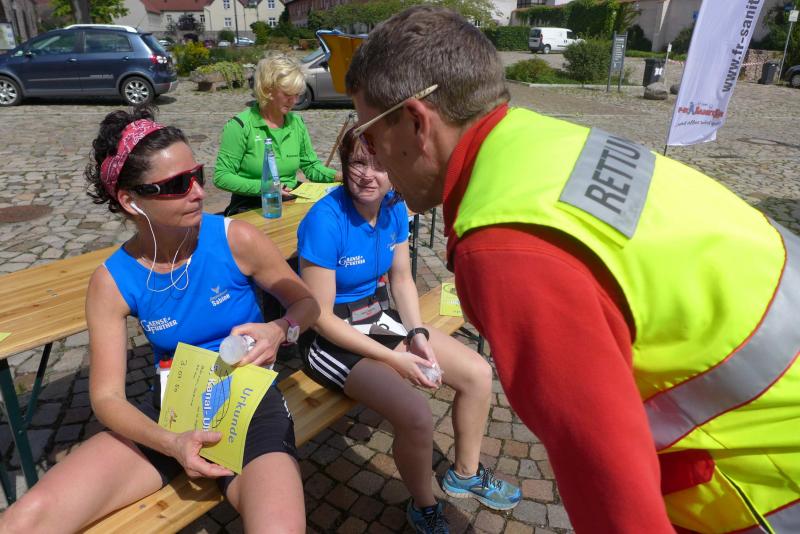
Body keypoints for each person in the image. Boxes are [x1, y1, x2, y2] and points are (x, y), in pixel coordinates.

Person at [343, 6, 800, 534]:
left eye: (370, 136)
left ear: (417, 122)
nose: (373, 158)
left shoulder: (504, 245)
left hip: (771, 482)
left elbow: (611, 487)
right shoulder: (543, 141)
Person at [0, 107, 319, 533]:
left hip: (249, 406)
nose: (199, 192)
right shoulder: (112, 281)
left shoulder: (235, 238)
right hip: (171, 415)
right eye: (176, 184)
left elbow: (307, 304)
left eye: (197, 175)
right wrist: (172, 443)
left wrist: (279, 330)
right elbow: (107, 398)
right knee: (25, 520)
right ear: (130, 200)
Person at [296, 128, 521, 533]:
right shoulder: (324, 220)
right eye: (358, 163)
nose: (368, 174)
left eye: (380, 164)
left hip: (376, 316)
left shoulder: (395, 207)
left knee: (477, 372)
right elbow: (319, 317)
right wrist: (394, 358)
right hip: (329, 339)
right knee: (416, 414)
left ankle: (466, 473)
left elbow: (401, 279)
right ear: (344, 165)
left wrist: (417, 333)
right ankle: (424, 505)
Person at [214, 51, 342, 215]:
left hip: (290, 199)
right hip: (252, 204)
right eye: (287, 94)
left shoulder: (296, 123)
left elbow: (311, 167)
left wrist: (340, 176)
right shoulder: (240, 126)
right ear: (267, 90)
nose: (294, 101)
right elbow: (221, 176)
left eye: (297, 94)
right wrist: (265, 187)